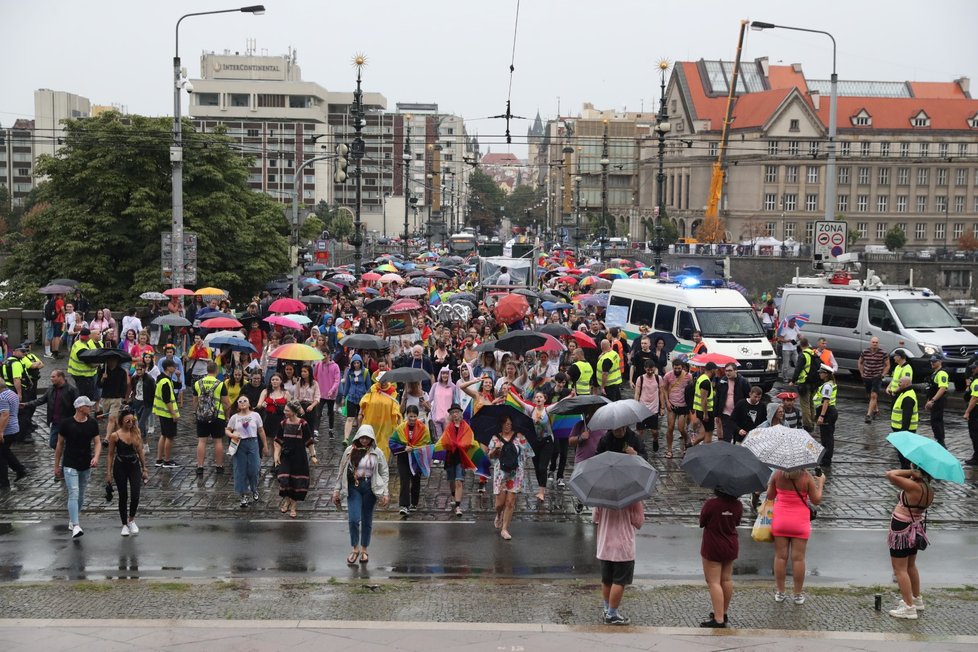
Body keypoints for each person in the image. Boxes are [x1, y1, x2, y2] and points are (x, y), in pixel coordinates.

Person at [333, 424, 390, 565]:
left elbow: (384, 472)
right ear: (358, 437)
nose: (364, 440)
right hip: (354, 488)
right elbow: (341, 472)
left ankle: (364, 549)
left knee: (367, 519)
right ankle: (355, 548)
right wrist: (336, 490)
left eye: (367, 438)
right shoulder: (349, 451)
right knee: (353, 519)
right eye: (362, 437)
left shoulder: (378, 452)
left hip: (370, 488)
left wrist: (385, 492)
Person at [768, 466, 824, 605]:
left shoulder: (777, 475)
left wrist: (771, 483)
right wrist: (821, 482)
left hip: (781, 520)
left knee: (780, 557)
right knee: (798, 559)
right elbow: (816, 500)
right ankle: (797, 595)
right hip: (799, 521)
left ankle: (780, 593)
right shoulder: (806, 477)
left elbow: (770, 496)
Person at [885, 465, 934, 620]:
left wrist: (910, 473)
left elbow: (891, 474)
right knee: (911, 565)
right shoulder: (928, 489)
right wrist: (914, 475)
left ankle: (908, 607)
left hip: (901, 529)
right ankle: (916, 598)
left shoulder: (913, 486)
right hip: (915, 528)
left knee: (899, 569)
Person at [54, 396, 101, 538]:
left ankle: (73, 519)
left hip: (85, 463)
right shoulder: (66, 424)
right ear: (80, 408)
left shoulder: (92, 424)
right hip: (70, 463)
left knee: (81, 494)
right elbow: (60, 444)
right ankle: (76, 525)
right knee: (73, 492)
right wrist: (56, 465)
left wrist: (96, 457)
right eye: (88, 406)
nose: (91, 408)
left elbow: (97, 442)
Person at [594, 498, 645, 626]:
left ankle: (606, 609)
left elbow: (595, 518)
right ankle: (612, 614)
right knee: (620, 581)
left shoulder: (601, 495)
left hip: (605, 545)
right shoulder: (632, 497)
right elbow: (638, 522)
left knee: (607, 580)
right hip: (623, 547)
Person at [699, 489, 743, 628]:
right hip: (730, 544)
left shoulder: (711, 504)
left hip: (713, 545)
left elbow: (702, 521)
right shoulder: (738, 505)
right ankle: (723, 613)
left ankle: (718, 619)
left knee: (713, 582)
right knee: (727, 579)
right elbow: (736, 522)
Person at [488, 413, 534, 540]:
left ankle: (505, 529)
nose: (507, 426)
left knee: (510, 502)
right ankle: (498, 514)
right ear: (500, 424)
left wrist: (518, 461)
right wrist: (495, 450)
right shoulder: (495, 438)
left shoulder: (519, 437)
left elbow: (527, 453)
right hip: (500, 473)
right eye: (504, 423)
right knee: (499, 503)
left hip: (515, 472)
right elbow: (490, 456)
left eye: (509, 423)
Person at [104, 408, 148, 536]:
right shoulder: (115, 436)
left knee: (135, 494)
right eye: (127, 420)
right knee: (123, 496)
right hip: (120, 466)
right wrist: (109, 473)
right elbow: (110, 455)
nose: (130, 422)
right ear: (121, 422)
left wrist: (144, 468)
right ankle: (124, 524)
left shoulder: (136, 432)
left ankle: (131, 519)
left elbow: (140, 451)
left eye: (132, 420)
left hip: (134, 466)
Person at [274, 401, 317, 518]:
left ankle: (293, 506)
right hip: (286, 455)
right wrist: (276, 455)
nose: (285, 412)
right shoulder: (283, 423)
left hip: (299, 456)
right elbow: (277, 441)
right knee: (283, 478)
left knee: (295, 482)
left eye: (287, 410)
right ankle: (287, 499)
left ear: (293, 412)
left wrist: (313, 455)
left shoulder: (303, 424)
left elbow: (309, 441)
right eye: (285, 410)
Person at [225, 395, 268, 508]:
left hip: (253, 443)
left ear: (249, 404)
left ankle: (254, 489)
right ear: (238, 404)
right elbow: (227, 430)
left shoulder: (255, 415)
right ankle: (243, 495)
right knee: (240, 470)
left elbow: (261, 430)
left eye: (245, 401)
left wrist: (265, 446)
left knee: (254, 469)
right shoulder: (235, 417)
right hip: (240, 444)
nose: (243, 403)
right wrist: (232, 434)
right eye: (240, 401)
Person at [389, 404, 431, 516]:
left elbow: (427, 444)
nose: (412, 419)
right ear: (406, 416)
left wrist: (416, 449)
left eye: (414, 416)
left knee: (416, 481)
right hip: (403, 458)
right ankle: (404, 505)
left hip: (417, 458)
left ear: (417, 416)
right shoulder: (400, 429)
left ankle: (414, 503)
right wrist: (403, 448)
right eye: (410, 416)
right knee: (404, 481)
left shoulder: (423, 429)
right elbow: (392, 442)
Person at [24, 369, 78, 450]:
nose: (51, 379)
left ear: (61, 377)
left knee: (69, 443)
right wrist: (26, 404)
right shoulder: (51, 389)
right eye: (51, 377)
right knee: (53, 443)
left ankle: (66, 457)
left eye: (53, 377)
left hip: (67, 422)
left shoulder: (71, 389)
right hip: (55, 422)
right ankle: (64, 454)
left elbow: (77, 405)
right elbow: (41, 400)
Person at [437, 403, 475, 517]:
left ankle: (458, 506)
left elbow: (470, 440)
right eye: (453, 412)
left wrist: (462, 444)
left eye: (457, 412)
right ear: (450, 415)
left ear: (460, 414)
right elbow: (444, 441)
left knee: (459, 480)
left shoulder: (466, 426)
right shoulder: (448, 427)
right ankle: (453, 495)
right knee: (452, 480)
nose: (455, 414)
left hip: (461, 457)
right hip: (450, 456)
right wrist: (452, 443)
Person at [193, 362, 230, 477]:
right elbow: (226, 403)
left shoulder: (198, 383)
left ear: (206, 370)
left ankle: (200, 466)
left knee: (202, 441)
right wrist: (227, 416)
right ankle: (219, 466)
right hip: (217, 416)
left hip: (202, 416)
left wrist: (196, 412)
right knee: (218, 441)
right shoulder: (220, 384)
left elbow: (195, 401)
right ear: (217, 371)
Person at [358, 372, 401, 459]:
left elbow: (396, 408)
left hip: (386, 424)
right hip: (371, 422)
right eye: (381, 380)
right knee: (370, 442)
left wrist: (398, 423)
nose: (383, 382)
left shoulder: (393, 392)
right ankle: (369, 462)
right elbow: (364, 402)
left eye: (385, 380)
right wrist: (360, 416)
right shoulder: (372, 389)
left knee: (384, 444)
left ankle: (382, 464)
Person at [153, 360, 181, 468]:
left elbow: (177, 386)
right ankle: (167, 461)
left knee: (164, 435)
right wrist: (174, 413)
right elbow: (167, 400)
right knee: (170, 436)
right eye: (174, 367)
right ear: (168, 368)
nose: (175, 369)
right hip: (167, 413)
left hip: (161, 412)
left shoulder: (163, 379)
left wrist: (178, 377)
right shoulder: (165, 382)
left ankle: (159, 459)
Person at [0, 378, 26, 490]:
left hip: (7, 430)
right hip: (14, 427)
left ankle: (7, 480)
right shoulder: (11, 393)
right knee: (4, 453)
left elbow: (5, 415)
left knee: (2, 454)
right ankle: (18, 471)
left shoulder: (2, 398)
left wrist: (0, 431)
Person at [338, 354, 371, 442]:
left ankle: (361, 437)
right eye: (354, 363)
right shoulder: (349, 372)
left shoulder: (365, 372)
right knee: (350, 418)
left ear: (360, 363)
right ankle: (346, 438)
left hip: (362, 399)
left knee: (361, 418)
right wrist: (343, 397)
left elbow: (369, 387)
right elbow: (347, 385)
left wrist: (369, 399)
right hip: (351, 398)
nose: (356, 365)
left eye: (358, 363)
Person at [714, 362, 749, 444]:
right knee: (726, 438)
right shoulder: (722, 381)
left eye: (730, 371)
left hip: (738, 415)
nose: (727, 373)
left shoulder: (743, 382)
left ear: (735, 371)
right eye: (726, 371)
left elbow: (748, 397)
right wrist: (716, 414)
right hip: (726, 414)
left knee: (738, 439)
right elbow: (718, 398)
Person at [662, 358, 691, 458]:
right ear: (673, 367)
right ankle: (669, 450)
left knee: (681, 428)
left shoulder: (688, 376)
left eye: (679, 368)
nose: (677, 370)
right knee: (670, 428)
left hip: (683, 406)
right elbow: (664, 389)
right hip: (672, 404)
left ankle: (687, 444)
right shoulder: (668, 376)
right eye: (675, 368)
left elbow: (691, 390)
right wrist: (667, 402)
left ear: (682, 368)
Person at [858, 337, 890, 423]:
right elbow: (860, 362)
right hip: (867, 376)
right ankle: (875, 410)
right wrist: (861, 373)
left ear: (878, 343)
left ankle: (868, 415)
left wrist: (883, 374)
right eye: (873, 342)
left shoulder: (883, 353)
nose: (875, 344)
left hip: (877, 376)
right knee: (870, 395)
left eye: (876, 342)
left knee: (873, 396)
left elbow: (887, 365)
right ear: (870, 343)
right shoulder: (865, 352)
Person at [634, 360, 663, 453]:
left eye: (652, 369)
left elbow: (661, 392)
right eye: (648, 369)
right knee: (640, 431)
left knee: (654, 431)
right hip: (642, 408)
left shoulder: (659, 379)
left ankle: (655, 440)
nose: (650, 371)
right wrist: (636, 404)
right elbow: (637, 393)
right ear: (645, 369)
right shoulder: (640, 379)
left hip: (654, 408)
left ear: (654, 368)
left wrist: (662, 407)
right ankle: (640, 446)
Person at [891, 375, 918, 469]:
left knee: (904, 453)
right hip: (901, 429)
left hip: (904, 430)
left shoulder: (908, 397)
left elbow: (907, 417)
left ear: (906, 384)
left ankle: (906, 470)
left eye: (900, 382)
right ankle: (905, 469)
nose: (899, 383)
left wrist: (903, 431)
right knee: (902, 452)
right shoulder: (905, 392)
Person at [790, 338, 818, 431]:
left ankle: (808, 426)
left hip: (804, 384)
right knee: (811, 404)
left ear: (801, 345)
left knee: (805, 405)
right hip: (814, 383)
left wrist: (793, 381)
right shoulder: (814, 353)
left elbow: (798, 369)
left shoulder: (803, 355)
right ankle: (813, 422)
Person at [814, 365, 838, 467]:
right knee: (826, 436)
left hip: (827, 412)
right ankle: (825, 458)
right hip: (829, 411)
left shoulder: (827, 386)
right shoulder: (829, 384)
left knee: (827, 438)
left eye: (821, 373)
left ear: (826, 374)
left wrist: (821, 416)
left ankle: (826, 460)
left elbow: (826, 401)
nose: (819, 374)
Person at [67, 327, 99, 401]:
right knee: (85, 398)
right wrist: (101, 362)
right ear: (88, 337)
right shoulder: (82, 349)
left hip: (77, 374)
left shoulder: (78, 343)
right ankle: (84, 411)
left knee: (80, 395)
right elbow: (91, 364)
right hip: (84, 376)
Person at [690, 362, 718, 445]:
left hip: (699, 410)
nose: (716, 373)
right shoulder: (706, 382)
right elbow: (704, 399)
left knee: (702, 434)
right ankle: (706, 452)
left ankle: (691, 446)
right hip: (706, 411)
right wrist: (706, 414)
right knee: (708, 435)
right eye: (716, 371)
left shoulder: (701, 378)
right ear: (712, 370)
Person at [313, 353, 341, 439]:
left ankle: (331, 429)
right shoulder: (318, 365)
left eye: (324, 355)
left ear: (329, 356)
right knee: (318, 412)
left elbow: (337, 380)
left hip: (331, 395)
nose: (323, 357)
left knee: (330, 413)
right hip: (320, 394)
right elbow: (315, 377)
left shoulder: (335, 366)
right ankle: (316, 431)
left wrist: (332, 390)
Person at [924, 355, 948, 448]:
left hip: (938, 400)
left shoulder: (942, 373)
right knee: (934, 421)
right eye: (931, 361)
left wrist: (933, 400)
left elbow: (942, 388)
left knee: (936, 420)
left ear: (940, 361)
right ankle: (939, 440)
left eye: (934, 361)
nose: (932, 363)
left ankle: (941, 442)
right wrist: (928, 401)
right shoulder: (935, 373)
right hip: (934, 399)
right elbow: (931, 389)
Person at [964, 362, 978, 465]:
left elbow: (974, 397)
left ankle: (976, 458)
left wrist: (967, 412)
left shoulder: (977, 381)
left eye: (974, 368)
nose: (972, 370)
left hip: (976, 411)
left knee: (974, 434)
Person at [779, 318, 800, 382]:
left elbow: (800, 337)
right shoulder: (785, 329)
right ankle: (785, 378)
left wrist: (800, 337)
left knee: (798, 363)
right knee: (786, 365)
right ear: (789, 322)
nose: (793, 323)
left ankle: (797, 377)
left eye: (794, 322)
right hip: (786, 349)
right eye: (792, 322)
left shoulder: (796, 328)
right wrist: (787, 341)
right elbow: (780, 339)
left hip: (794, 348)